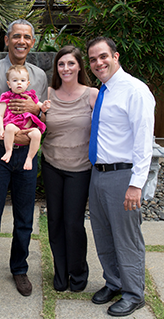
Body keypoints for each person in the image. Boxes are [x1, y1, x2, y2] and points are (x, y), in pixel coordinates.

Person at [0, 19, 48, 304]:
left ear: (32, 42)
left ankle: (19, 268)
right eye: (16, 36)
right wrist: (8, 136)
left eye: (27, 37)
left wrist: (33, 118)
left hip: (27, 155)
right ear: (7, 40)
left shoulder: (39, 75)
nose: (21, 41)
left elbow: (41, 115)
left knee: (25, 217)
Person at [86, 36, 155, 317]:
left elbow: (143, 142)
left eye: (103, 56)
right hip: (99, 173)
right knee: (103, 234)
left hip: (123, 176)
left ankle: (133, 292)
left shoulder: (135, 90)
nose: (98, 63)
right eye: (92, 59)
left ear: (115, 56)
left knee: (127, 238)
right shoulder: (105, 90)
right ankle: (113, 282)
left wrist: (136, 184)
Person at [41, 45, 98, 292]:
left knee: (73, 222)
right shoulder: (48, 94)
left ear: (79, 66)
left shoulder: (92, 94)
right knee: (54, 220)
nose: (66, 68)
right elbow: (40, 127)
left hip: (80, 168)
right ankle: (60, 271)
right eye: (61, 64)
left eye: (71, 63)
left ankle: (78, 271)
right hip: (52, 164)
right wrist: (40, 114)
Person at [0, 65, 49, 170]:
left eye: (22, 80)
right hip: (14, 127)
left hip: (27, 128)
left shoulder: (31, 96)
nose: (19, 83)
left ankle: (29, 158)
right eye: (15, 80)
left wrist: (44, 106)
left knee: (37, 134)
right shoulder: (6, 97)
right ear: (9, 84)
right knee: (9, 128)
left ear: (27, 83)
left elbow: (40, 106)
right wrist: (0, 130)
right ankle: (9, 151)